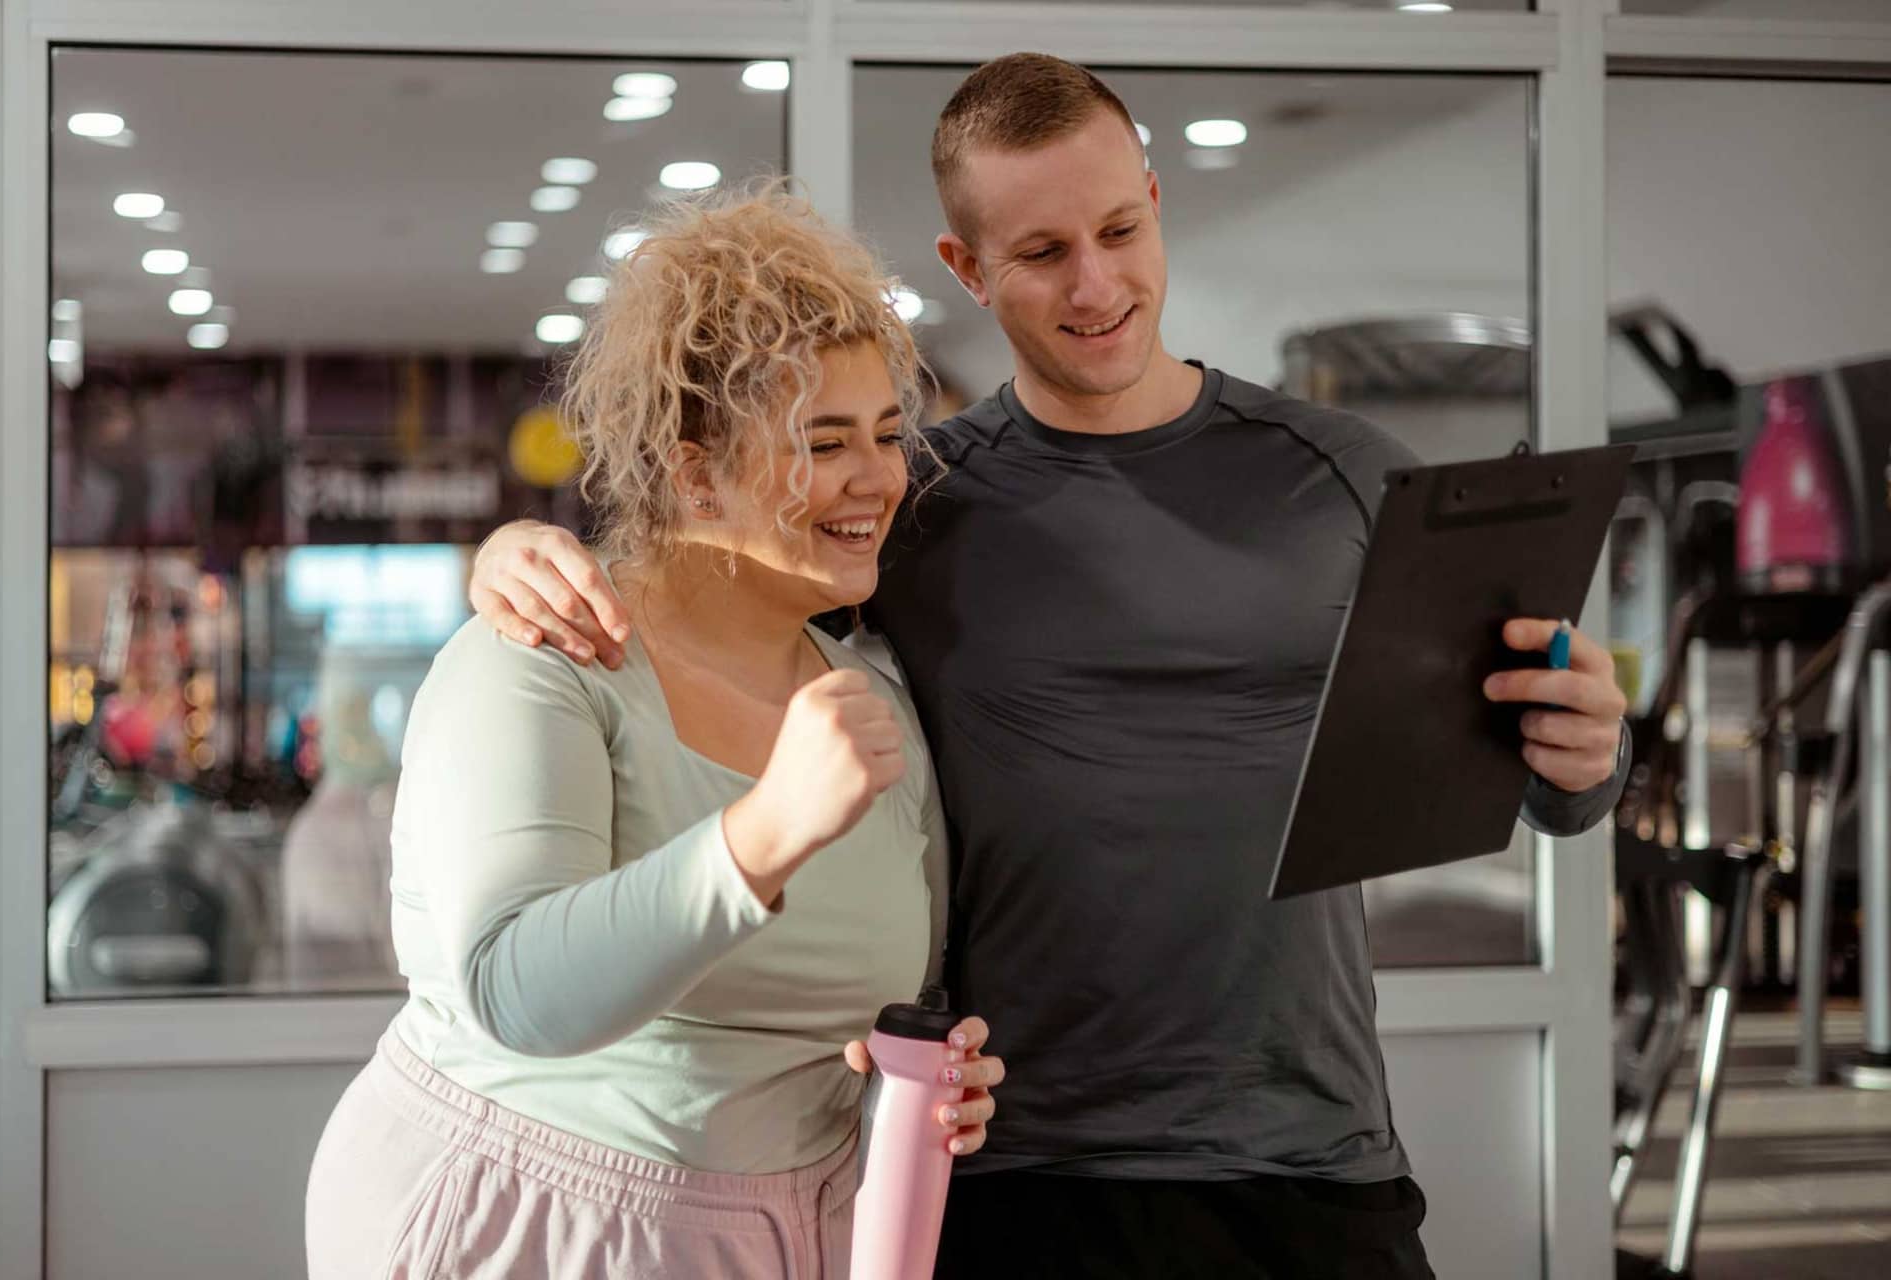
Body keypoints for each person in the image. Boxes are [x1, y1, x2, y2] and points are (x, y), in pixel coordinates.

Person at [466, 54, 1630, 1279]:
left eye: (1118, 229)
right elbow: (708, 593)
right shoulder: (909, 506)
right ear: (966, 270)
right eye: (1039, 254)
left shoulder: (1344, 476)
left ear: (1153, 201)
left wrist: (1588, 754)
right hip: (1010, 1171)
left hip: (1305, 1158)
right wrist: (510, 553)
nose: (1095, 285)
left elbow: (1540, 774)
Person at [304, 186, 1004, 1279]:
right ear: (689, 471)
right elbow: (513, 985)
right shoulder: (536, 654)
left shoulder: (873, 690)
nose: (877, 475)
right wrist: (761, 831)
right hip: (524, 1221)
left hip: (790, 1230)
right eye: (822, 441)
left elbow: (857, 1009)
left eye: (883, 433)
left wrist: (918, 1069)